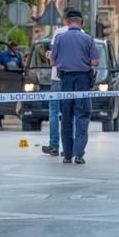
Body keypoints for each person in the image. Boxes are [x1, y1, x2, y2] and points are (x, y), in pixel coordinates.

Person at [51, 10, 99, 165]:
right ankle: (79, 154)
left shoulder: (59, 38)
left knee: (66, 118)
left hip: (65, 80)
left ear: (67, 22)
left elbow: (52, 61)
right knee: (82, 117)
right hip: (83, 81)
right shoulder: (88, 38)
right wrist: (82, 61)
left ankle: (67, 155)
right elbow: (95, 62)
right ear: (81, 22)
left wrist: (65, 61)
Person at [42, 12, 70, 157]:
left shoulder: (58, 32)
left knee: (54, 111)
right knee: (71, 113)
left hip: (57, 77)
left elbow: (53, 55)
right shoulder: (83, 33)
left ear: (65, 19)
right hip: (73, 78)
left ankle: (54, 146)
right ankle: (69, 148)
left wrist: (49, 55)